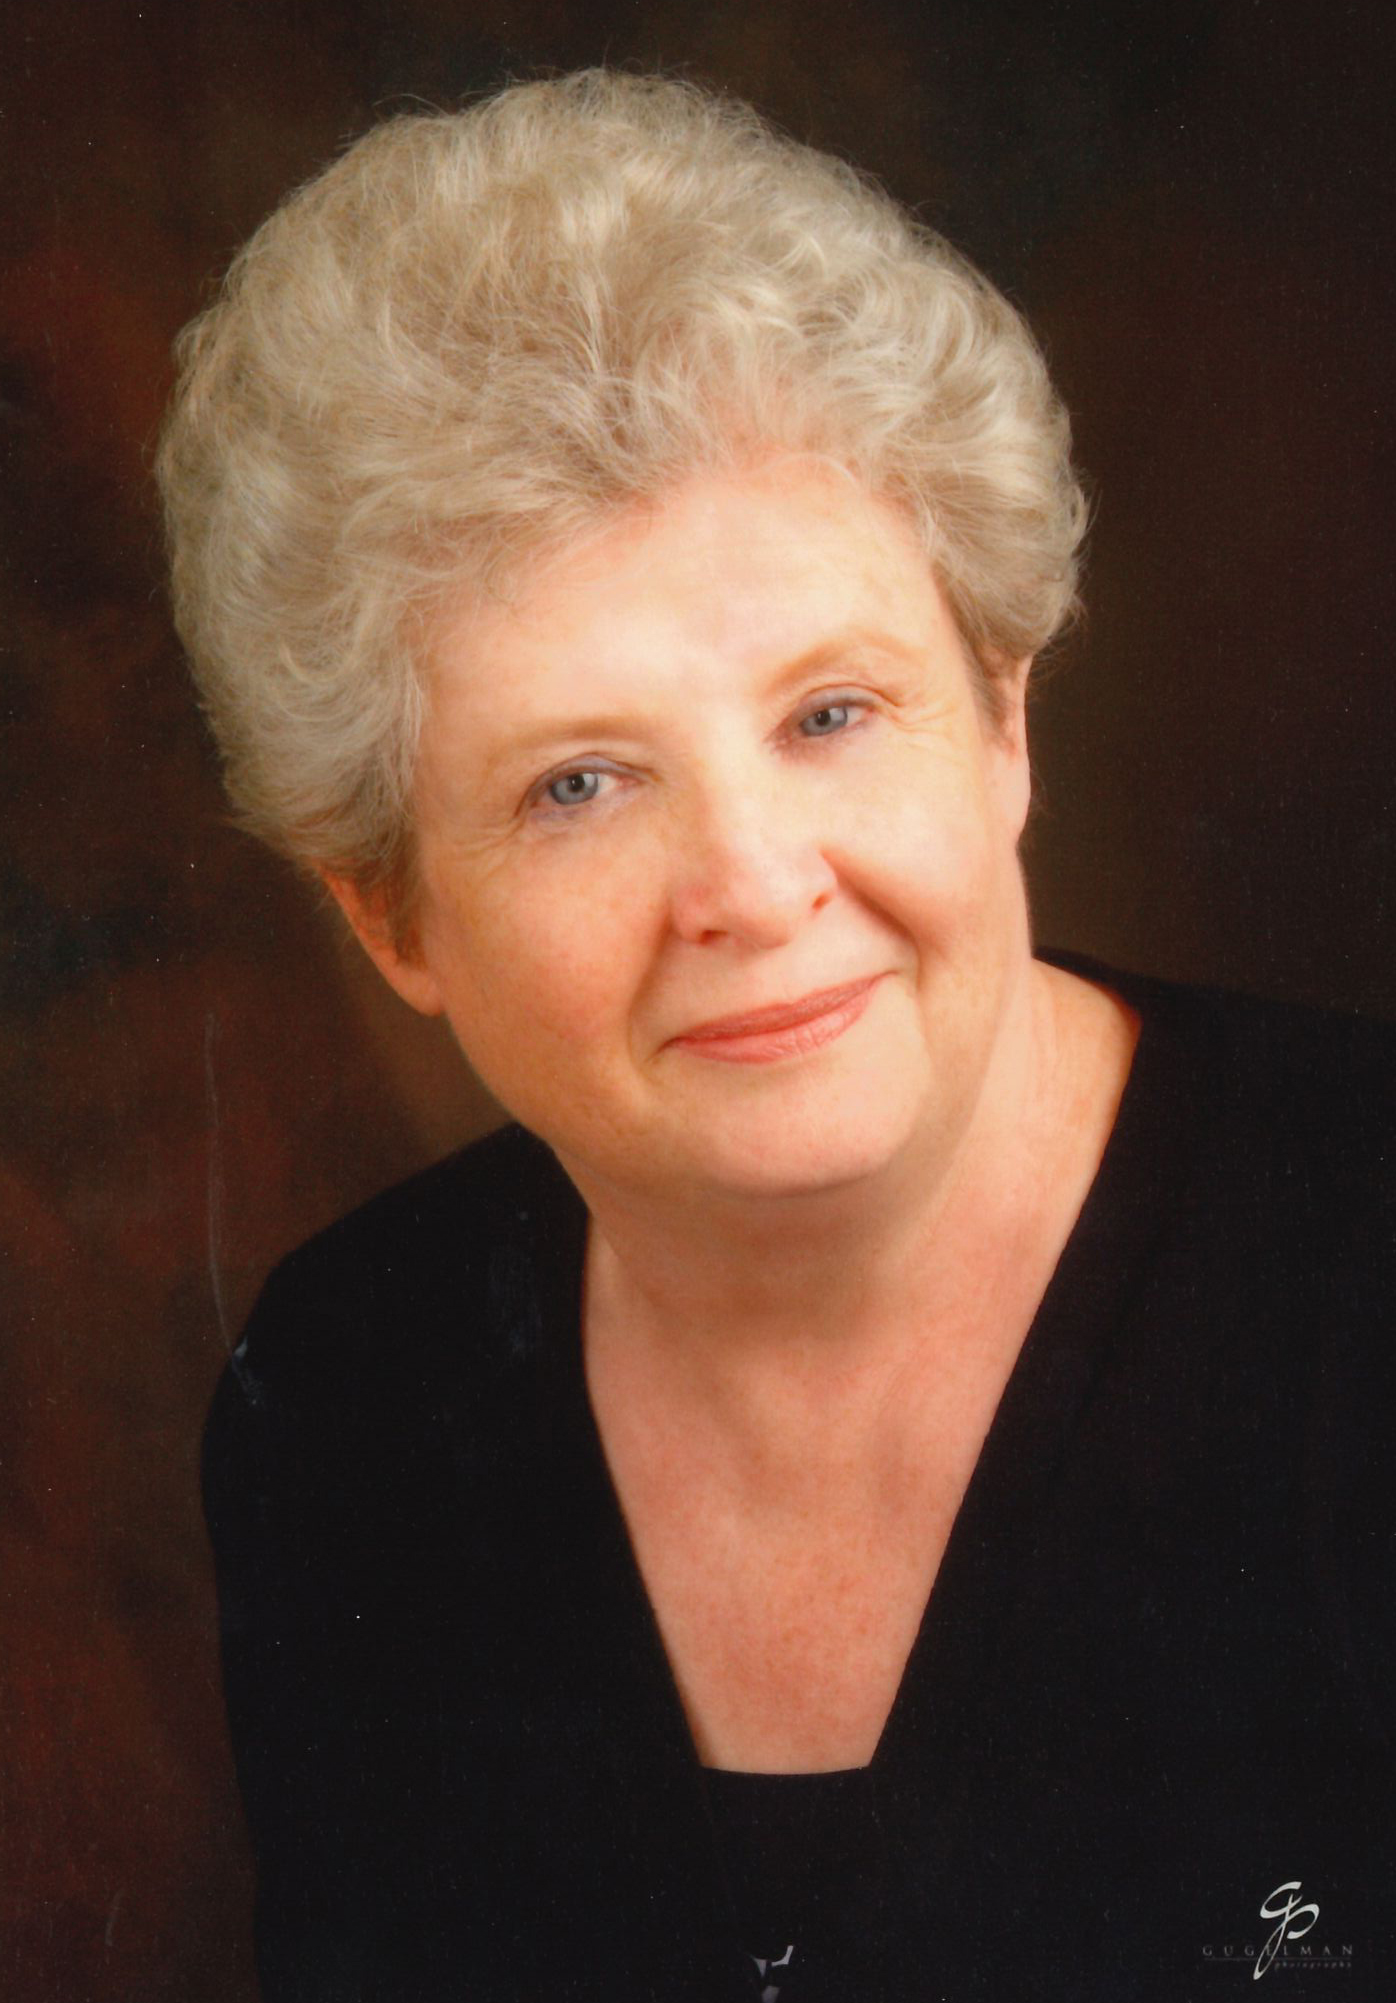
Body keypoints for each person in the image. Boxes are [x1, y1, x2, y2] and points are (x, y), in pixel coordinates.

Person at [158, 70, 1394, 2003]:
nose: (749, 883)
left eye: (830, 714)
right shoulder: (345, 1401)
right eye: (578, 784)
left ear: (1004, 722)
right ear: (389, 916)